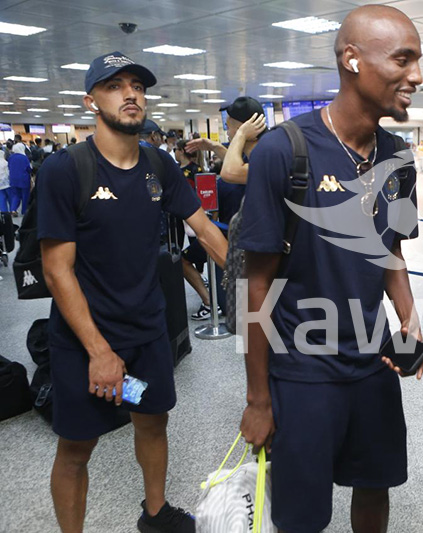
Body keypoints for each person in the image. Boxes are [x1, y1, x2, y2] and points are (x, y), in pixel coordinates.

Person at [237, 5, 423, 531]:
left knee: (375, 488)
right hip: (303, 371)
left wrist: (409, 318)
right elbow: (256, 286)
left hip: (373, 364)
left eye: (418, 61)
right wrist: (258, 399)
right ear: (352, 60)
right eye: (403, 60)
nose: (416, 76)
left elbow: (391, 252)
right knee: (302, 515)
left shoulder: (398, 157)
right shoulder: (283, 151)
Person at [37, 51, 228, 533]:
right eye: (114, 86)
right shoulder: (67, 169)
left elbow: (205, 230)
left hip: (146, 334)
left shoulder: (158, 164)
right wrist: (99, 351)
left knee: (152, 419)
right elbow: (57, 271)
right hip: (86, 342)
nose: (130, 95)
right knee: (77, 447)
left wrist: (263, 288)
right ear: (91, 101)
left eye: (137, 87)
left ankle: (155, 514)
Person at [184, 96, 267, 184]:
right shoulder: (255, 155)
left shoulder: (267, 157)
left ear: (242, 129)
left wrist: (241, 134)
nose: (227, 132)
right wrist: (215, 147)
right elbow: (235, 165)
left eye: (228, 127)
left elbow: (230, 173)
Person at [7, 143, 31, 216]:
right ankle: (24, 211)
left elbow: (9, 167)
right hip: (24, 179)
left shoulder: (11, 157)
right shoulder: (24, 157)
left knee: (15, 195)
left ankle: (13, 209)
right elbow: (28, 168)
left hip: (13, 178)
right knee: (25, 195)